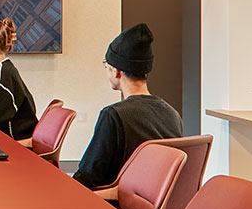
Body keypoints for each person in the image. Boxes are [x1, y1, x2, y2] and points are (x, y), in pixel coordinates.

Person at [73, 23, 184, 189]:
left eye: (107, 66)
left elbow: (88, 178)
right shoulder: (173, 114)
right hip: (155, 207)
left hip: (114, 205)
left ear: (117, 72)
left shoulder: (114, 116)